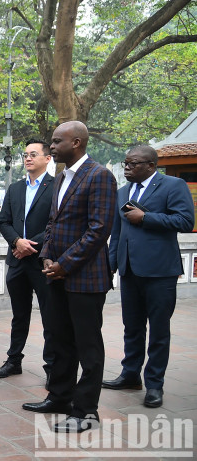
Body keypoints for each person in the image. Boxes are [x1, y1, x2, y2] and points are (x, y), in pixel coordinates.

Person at [21, 121, 116, 434]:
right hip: (57, 274)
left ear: (76, 142)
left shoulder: (99, 175)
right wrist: (48, 256)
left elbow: (99, 229)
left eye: (56, 142)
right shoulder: (61, 177)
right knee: (59, 339)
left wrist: (65, 263)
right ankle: (59, 397)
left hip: (85, 277)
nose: (51, 147)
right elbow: (53, 224)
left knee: (87, 346)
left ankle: (86, 411)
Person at [103, 145, 194, 408]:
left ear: (151, 166)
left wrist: (146, 217)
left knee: (158, 331)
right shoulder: (122, 192)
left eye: (133, 164)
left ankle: (154, 385)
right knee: (131, 328)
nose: (127, 168)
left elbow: (185, 221)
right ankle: (130, 375)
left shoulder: (173, 186)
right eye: (126, 163)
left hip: (160, 272)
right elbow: (116, 234)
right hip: (129, 271)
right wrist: (111, 266)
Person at [0, 139, 55, 382]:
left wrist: (30, 245)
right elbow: (3, 221)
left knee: (51, 316)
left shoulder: (57, 186)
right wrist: (17, 242)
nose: (28, 158)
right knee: (19, 315)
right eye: (25, 155)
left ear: (47, 158)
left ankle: (52, 367)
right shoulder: (16, 188)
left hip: (44, 261)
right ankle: (13, 360)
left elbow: (56, 223)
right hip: (17, 260)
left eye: (33, 154)